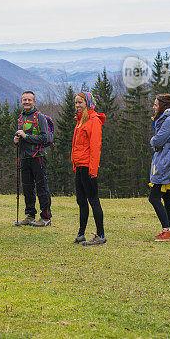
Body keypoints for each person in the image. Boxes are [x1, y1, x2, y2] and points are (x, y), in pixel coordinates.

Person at [71, 91, 107, 245]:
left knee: (93, 200)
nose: (78, 105)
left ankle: (100, 236)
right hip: (79, 165)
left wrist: (93, 170)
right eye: (76, 103)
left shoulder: (94, 120)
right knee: (81, 200)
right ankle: (81, 233)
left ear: (88, 103)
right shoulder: (80, 120)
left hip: (88, 167)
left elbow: (95, 147)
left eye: (80, 102)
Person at [13, 91, 53, 227]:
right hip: (24, 157)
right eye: (24, 100)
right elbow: (21, 137)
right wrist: (16, 140)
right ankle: (30, 215)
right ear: (21, 101)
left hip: (38, 157)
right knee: (27, 187)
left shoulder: (40, 117)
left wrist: (25, 137)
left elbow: (44, 138)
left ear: (34, 102)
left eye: (29, 100)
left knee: (42, 187)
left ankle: (46, 217)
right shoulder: (20, 118)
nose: (26, 102)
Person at [149, 93, 170, 241]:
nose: (153, 107)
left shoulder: (169, 121)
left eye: (156, 105)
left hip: (165, 161)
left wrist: (152, 140)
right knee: (167, 196)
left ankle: (167, 230)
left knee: (154, 197)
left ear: (163, 106)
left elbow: (157, 141)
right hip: (167, 159)